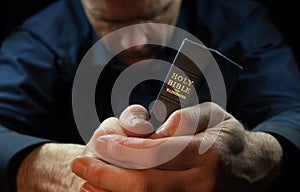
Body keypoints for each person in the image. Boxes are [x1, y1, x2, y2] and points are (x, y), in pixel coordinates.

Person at [0, 0, 299, 191]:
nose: (132, 41)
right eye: (109, 22)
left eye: (152, 17)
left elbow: (292, 111)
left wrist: (259, 155)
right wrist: (68, 170)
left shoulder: (238, 22)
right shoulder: (43, 38)